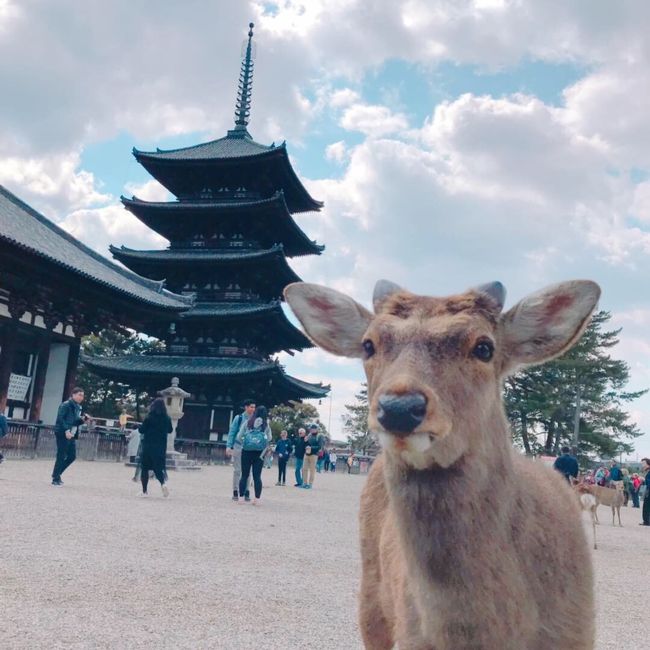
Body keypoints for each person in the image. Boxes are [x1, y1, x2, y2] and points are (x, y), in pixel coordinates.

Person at [51, 387, 90, 486]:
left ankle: (57, 474)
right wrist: (66, 430)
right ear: (73, 394)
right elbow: (60, 418)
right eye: (79, 395)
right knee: (61, 455)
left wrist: (83, 420)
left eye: (82, 395)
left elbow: (74, 421)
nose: (81, 397)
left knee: (72, 456)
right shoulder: (66, 405)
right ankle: (55, 478)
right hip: (63, 432)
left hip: (72, 433)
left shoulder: (77, 407)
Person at [237, 405, 271, 505]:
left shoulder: (248, 422)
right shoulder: (266, 425)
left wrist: (245, 442)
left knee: (244, 475)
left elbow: (239, 437)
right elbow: (269, 438)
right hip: (259, 454)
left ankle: (241, 498)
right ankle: (257, 499)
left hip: (246, 452)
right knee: (257, 476)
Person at [138, 398, 172, 498]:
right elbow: (170, 430)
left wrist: (139, 427)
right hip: (161, 447)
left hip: (148, 445)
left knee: (145, 468)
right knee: (158, 468)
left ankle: (144, 491)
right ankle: (163, 484)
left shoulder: (149, 417)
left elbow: (142, 430)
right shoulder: (167, 418)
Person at [226, 399, 255, 502]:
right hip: (238, 446)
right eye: (251, 407)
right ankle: (235, 490)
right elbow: (232, 432)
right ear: (246, 407)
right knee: (237, 470)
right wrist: (229, 446)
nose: (253, 409)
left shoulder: (256, 419)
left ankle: (246, 491)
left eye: (254, 407)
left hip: (250, 448)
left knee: (248, 471)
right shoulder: (238, 418)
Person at [302, 423, 322, 489]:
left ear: (316, 429)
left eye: (313, 429)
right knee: (304, 469)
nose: (312, 430)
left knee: (312, 470)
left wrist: (311, 448)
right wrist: (305, 441)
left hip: (314, 455)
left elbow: (319, 446)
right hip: (307, 454)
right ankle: (304, 483)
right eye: (311, 429)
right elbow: (306, 444)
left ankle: (310, 484)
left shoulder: (319, 436)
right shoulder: (309, 435)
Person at [641, 457, 650, 526]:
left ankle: (647, 521)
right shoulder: (647, 471)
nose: (642, 464)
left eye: (643, 463)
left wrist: (644, 480)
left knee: (647, 506)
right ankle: (646, 521)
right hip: (647, 490)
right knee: (646, 506)